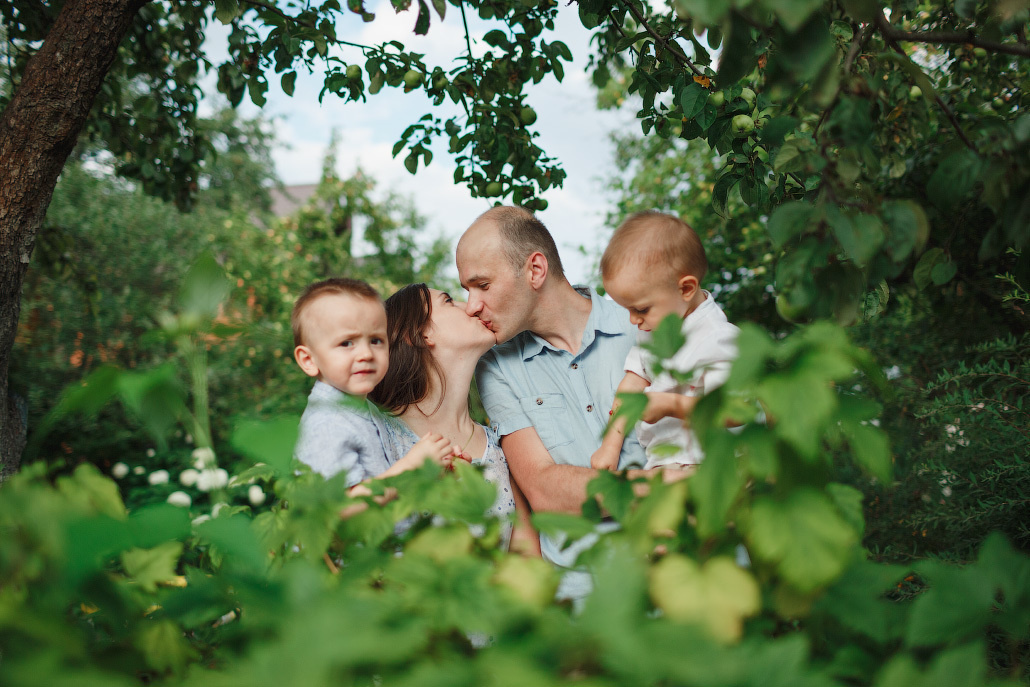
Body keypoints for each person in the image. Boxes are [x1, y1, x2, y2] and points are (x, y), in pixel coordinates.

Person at [456, 206, 663, 591]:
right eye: (466, 290)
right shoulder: (495, 367)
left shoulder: (645, 324)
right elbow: (544, 490)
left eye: (481, 285)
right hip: (587, 602)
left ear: (535, 270)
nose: (471, 306)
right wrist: (666, 487)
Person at [369, 283, 539, 554]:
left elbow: (528, 558)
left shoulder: (502, 445)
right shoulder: (378, 437)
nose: (471, 307)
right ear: (420, 334)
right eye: (448, 301)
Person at [591, 211, 740, 473]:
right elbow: (633, 382)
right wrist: (610, 444)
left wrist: (669, 404)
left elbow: (735, 411)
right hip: (665, 463)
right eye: (626, 309)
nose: (633, 320)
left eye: (641, 309)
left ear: (685, 289)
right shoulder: (654, 331)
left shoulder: (718, 339)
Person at [291, 278, 464, 492]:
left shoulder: (364, 410)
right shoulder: (326, 424)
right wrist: (411, 468)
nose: (366, 354)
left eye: (376, 340)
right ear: (309, 360)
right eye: (346, 343)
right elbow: (340, 510)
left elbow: (383, 482)